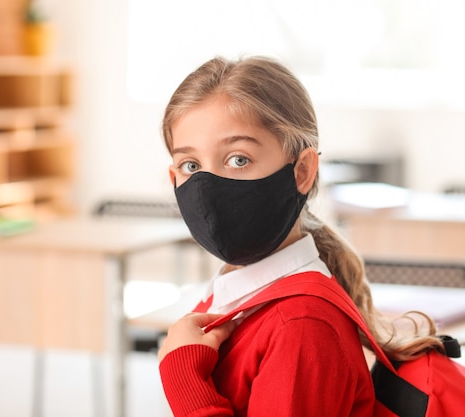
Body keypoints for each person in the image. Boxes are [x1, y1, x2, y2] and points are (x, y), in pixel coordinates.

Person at [157, 56, 443, 417]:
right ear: (174, 179)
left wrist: (186, 383)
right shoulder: (232, 294)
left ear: (302, 171)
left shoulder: (303, 327)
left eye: (238, 159)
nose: (207, 187)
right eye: (191, 166)